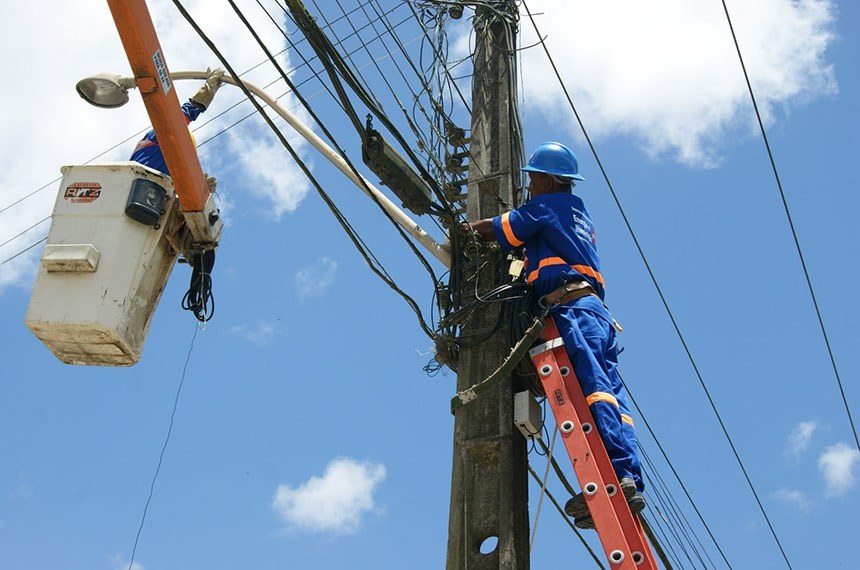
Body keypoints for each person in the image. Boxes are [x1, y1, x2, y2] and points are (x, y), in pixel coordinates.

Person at [468, 141, 644, 529]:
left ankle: (615, 479)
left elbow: (500, 229)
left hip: (573, 309)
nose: (529, 187)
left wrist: (464, 231)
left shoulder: (545, 207)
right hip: (595, 313)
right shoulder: (577, 212)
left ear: (549, 180)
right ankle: (627, 476)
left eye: (533, 179)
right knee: (610, 396)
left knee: (593, 389)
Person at [130, 67, 225, 175]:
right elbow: (179, 119)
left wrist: (201, 185)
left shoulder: (173, 167)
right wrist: (208, 89)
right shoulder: (156, 140)